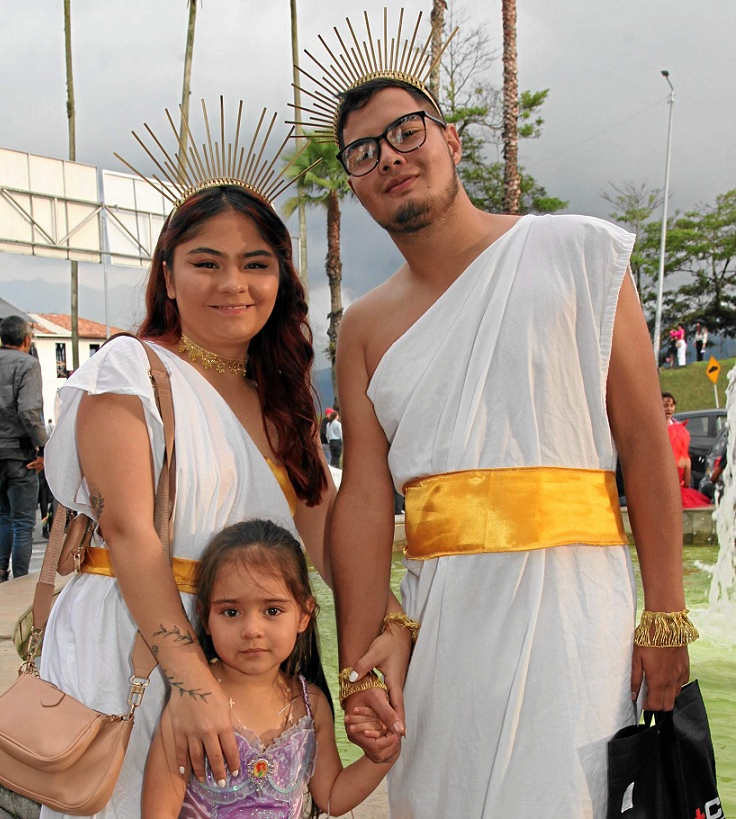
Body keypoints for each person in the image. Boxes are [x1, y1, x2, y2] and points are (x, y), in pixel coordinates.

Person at [296, 14, 694, 816]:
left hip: (579, 615)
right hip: (443, 629)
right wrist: (361, 665)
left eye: (406, 132)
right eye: (363, 153)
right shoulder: (367, 328)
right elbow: (368, 501)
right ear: (354, 183)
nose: (390, 158)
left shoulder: (580, 253)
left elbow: (645, 445)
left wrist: (665, 613)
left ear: (450, 139)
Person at [39, 103, 339, 819]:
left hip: (243, 654)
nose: (232, 283)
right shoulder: (128, 369)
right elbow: (132, 532)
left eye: (255, 264)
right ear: (167, 277)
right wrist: (194, 682)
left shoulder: (281, 399)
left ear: (281, 280)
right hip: (130, 646)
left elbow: (325, 535)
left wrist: (385, 624)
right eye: (205, 262)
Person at [143, 518, 393, 817]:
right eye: (231, 611)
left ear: (304, 614)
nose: (251, 629)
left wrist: (381, 759)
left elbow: (331, 797)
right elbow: (159, 812)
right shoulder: (193, 705)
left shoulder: (310, 704)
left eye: (272, 610)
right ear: (205, 616)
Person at [0, 315, 47, 582]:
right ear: (26, 340)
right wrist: (43, 450)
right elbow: (29, 411)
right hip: (20, 454)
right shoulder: (27, 365)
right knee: (23, 522)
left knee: (4, 515)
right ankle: (21, 582)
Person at [662, 392, 711, 508]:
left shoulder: (677, 425)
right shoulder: (655, 426)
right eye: (665, 406)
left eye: (671, 406)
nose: (669, 409)